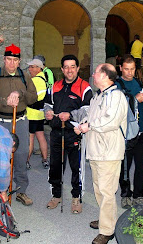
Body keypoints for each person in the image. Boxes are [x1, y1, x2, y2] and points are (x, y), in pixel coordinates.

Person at [77, 63, 128, 244]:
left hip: (109, 151)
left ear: (106, 76)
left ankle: (107, 230)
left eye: (97, 71)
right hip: (96, 150)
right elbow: (92, 116)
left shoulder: (117, 97)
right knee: (99, 188)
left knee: (107, 191)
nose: (93, 74)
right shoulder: (99, 96)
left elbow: (111, 121)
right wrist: (82, 122)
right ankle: (106, 218)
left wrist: (88, 126)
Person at [0, 44, 37, 206]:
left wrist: (20, 94)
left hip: (20, 120)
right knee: (0, 157)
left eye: (15, 60)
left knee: (20, 155)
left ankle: (21, 190)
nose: (11, 63)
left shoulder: (24, 76)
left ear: (19, 61)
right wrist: (3, 101)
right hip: (0, 121)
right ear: (4, 59)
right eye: (8, 59)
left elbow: (33, 97)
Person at [44, 55, 93, 214]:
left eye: (72, 66)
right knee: (55, 166)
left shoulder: (85, 87)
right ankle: (56, 195)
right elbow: (47, 104)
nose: (69, 70)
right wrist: (48, 113)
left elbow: (87, 110)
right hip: (56, 132)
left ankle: (76, 197)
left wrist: (70, 115)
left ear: (78, 68)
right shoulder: (55, 86)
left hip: (74, 133)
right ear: (62, 69)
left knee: (75, 167)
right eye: (66, 67)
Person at [116, 54, 143, 209]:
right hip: (125, 134)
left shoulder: (138, 82)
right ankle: (125, 194)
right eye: (126, 69)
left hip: (141, 131)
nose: (129, 72)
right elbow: (119, 106)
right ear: (121, 68)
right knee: (125, 167)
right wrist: (135, 99)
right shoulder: (117, 85)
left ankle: (138, 194)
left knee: (141, 165)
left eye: (132, 69)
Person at [25, 58, 49, 169]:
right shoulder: (43, 78)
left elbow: (32, 98)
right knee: (41, 136)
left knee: (30, 138)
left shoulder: (36, 80)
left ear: (39, 68)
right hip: (39, 113)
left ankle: (26, 161)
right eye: (29, 67)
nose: (29, 69)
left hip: (32, 114)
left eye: (32, 67)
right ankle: (45, 160)